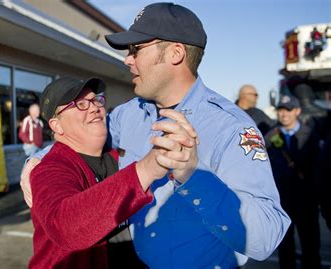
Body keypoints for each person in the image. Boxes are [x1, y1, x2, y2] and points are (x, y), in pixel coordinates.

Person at [22, 3, 290, 268]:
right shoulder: (132, 114)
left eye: (135, 49)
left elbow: (266, 238)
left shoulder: (229, 127)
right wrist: (35, 162)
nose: (128, 59)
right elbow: (79, 137)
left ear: (175, 53)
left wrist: (194, 175)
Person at [29, 76, 192, 268]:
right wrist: (146, 169)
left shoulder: (121, 158)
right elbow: (65, 227)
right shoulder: (50, 169)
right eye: (80, 104)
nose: (94, 107)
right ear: (57, 125)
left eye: (96, 100)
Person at [264, 94, 322, 269]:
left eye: (288, 110)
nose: (284, 114)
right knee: (285, 246)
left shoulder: (310, 134)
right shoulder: (270, 136)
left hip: (306, 200)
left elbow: (319, 168)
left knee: (310, 244)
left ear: (297, 111)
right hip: (281, 201)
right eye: (281, 110)